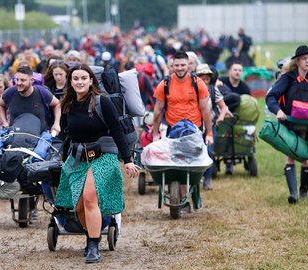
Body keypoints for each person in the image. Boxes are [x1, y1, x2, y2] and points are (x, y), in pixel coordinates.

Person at [55, 64, 139, 264]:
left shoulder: (103, 102)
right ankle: (93, 234)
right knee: (78, 205)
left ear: (91, 80)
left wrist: (127, 160)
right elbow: (67, 135)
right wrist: (63, 159)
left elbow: (117, 131)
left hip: (104, 154)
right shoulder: (66, 104)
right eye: (75, 78)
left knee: (89, 196)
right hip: (78, 157)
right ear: (70, 82)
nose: (79, 82)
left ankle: (93, 245)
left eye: (84, 78)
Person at [266, 45, 308, 204]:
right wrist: (278, 111)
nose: (307, 62)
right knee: (290, 157)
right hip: (290, 123)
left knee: (306, 159)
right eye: (304, 59)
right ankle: (293, 195)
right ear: (297, 61)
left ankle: (304, 192)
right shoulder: (287, 78)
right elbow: (271, 97)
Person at [151, 51, 213, 212]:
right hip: (173, 131)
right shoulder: (164, 84)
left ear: (189, 66)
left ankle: (192, 194)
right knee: (177, 164)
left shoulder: (197, 83)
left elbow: (205, 110)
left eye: (183, 65)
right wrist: (155, 133)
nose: (179, 68)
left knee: (191, 166)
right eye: (176, 65)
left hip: (194, 131)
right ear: (172, 66)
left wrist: (210, 133)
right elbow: (157, 111)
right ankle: (183, 199)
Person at [195, 64, 232, 190]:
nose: (205, 81)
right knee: (195, 151)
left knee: (209, 151)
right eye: (202, 78)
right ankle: (196, 177)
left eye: (207, 78)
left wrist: (221, 117)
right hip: (195, 126)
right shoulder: (192, 90)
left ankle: (207, 178)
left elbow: (223, 107)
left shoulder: (212, 89)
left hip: (210, 125)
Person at [0, 66, 61, 135]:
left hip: (39, 137)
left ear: (32, 80)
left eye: (22, 80)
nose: (18, 83)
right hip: (15, 137)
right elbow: (0, 104)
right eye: (17, 79)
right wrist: (4, 122)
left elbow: (57, 104)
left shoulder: (41, 92)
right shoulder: (10, 92)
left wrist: (56, 123)